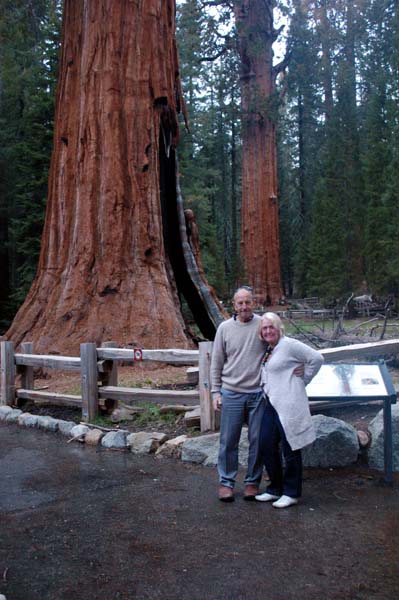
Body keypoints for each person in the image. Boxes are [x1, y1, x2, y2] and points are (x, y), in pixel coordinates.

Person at [255, 312, 324, 508]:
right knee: (266, 444)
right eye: (265, 328)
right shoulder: (271, 349)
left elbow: (317, 358)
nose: (268, 331)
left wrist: (304, 378)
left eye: (271, 327)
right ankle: (275, 488)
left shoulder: (289, 345)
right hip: (272, 403)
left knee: (290, 447)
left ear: (279, 328)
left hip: (289, 404)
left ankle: (291, 492)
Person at [211, 286, 266, 502]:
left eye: (248, 302)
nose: (244, 306)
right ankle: (226, 482)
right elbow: (216, 363)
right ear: (234, 305)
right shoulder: (224, 328)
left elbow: (279, 347)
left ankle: (252, 482)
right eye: (240, 302)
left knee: (257, 440)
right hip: (231, 392)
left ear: (254, 302)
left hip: (257, 393)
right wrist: (216, 392)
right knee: (228, 441)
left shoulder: (263, 325)